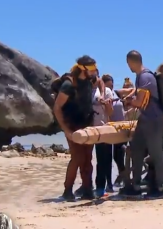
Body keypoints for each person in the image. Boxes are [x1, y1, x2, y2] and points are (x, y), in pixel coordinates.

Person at [120, 50, 163, 197]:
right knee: (136, 150)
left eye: (128, 64)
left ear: (132, 61)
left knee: (156, 154)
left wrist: (128, 101)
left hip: (153, 120)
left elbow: (140, 102)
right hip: (145, 119)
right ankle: (136, 185)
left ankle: (159, 188)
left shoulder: (145, 76)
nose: (129, 67)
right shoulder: (140, 76)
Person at [53, 55, 99, 201]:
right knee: (77, 158)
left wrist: (103, 93)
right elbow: (57, 108)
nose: (94, 72)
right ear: (82, 69)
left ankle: (87, 189)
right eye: (91, 69)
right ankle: (67, 190)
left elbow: (100, 81)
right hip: (72, 125)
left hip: (87, 124)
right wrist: (66, 130)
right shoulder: (69, 84)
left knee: (88, 158)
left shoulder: (90, 81)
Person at [92, 75, 114, 197]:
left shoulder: (107, 91)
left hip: (102, 129)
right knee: (85, 160)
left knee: (103, 160)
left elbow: (110, 112)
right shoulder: (86, 90)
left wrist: (107, 104)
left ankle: (101, 187)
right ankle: (86, 187)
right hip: (88, 128)